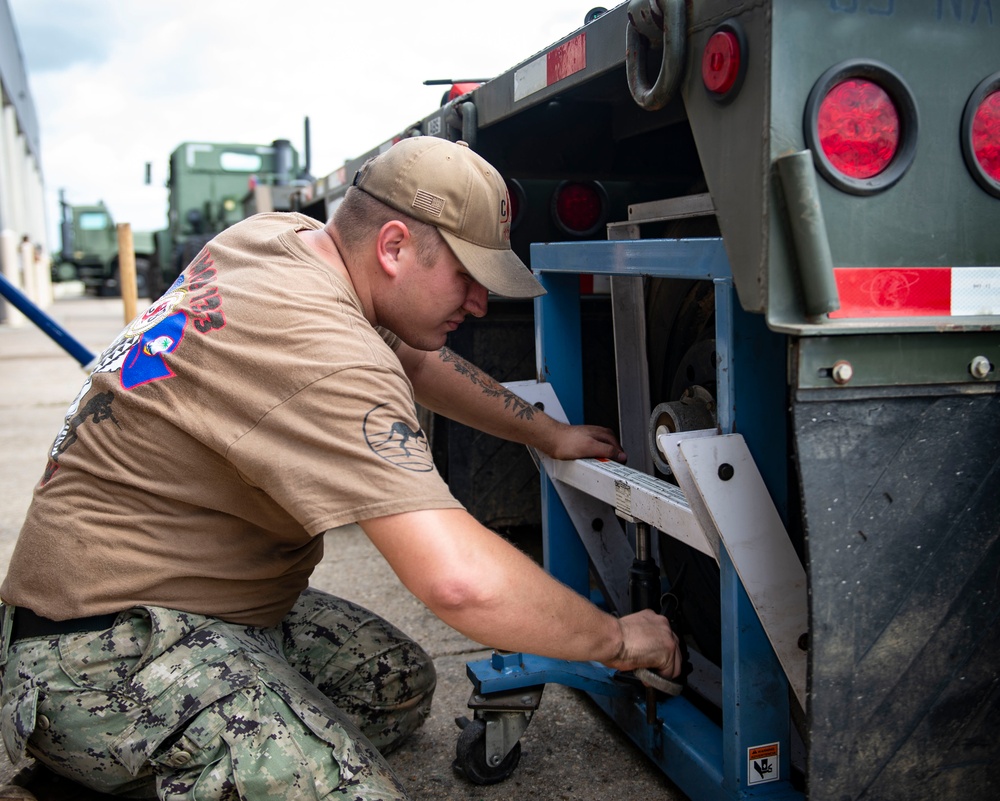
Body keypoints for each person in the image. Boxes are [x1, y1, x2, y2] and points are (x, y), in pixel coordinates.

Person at [0, 137, 680, 800]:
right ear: (392, 247)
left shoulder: (280, 240)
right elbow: (459, 582)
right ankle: (98, 760)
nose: (479, 303)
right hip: (93, 654)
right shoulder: (325, 350)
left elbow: (412, 358)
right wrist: (618, 639)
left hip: (180, 600)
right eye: (467, 277)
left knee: (395, 685)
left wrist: (550, 433)